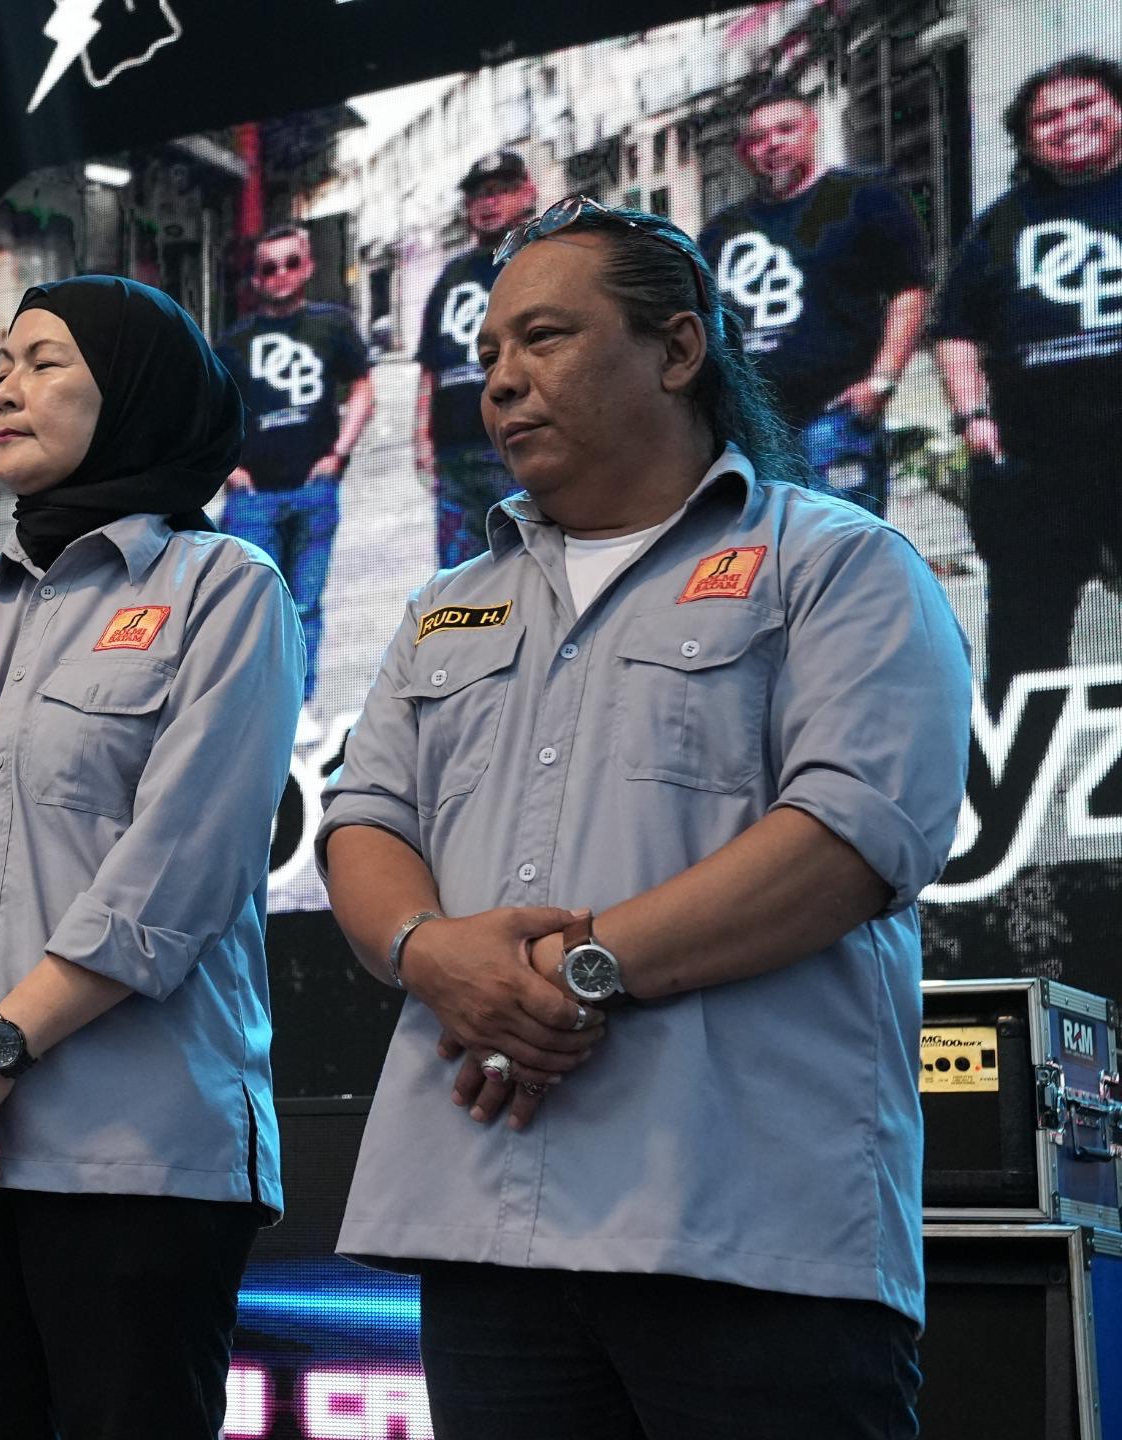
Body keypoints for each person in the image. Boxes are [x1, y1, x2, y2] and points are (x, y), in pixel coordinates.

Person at [320, 198, 969, 1437]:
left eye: (544, 338)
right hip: (480, 1224)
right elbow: (364, 822)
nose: (500, 382)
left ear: (676, 351)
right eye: (488, 353)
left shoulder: (837, 563)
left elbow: (852, 837)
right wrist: (425, 950)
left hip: (744, 1229)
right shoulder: (443, 606)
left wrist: (575, 971)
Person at [0, 275, 304, 1438]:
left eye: (43, 364)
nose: (5, 391)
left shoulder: (225, 592)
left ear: (132, 394)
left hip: (132, 1157)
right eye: (1, 367)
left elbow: (178, 869)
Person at [933, 53, 1122, 709]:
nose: (1068, 123)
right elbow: (955, 330)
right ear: (1026, 138)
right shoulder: (1000, 222)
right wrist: (971, 416)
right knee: (1024, 639)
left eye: (1084, 106)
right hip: (1034, 462)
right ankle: (1024, 766)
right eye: (1047, 118)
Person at [698, 87, 930, 515]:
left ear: (812, 129)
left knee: (844, 543)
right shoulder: (720, 231)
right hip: (753, 429)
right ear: (744, 152)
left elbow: (909, 291)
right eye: (758, 138)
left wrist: (881, 382)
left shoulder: (865, 198)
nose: (772, 145)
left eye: (786, 130)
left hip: (835, 418)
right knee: (769, 546)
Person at [214, 225, 375, 715]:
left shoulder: (333, 326)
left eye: (290, 263)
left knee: (304, 603)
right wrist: (228, 468)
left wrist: (339, 453)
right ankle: (258, 708)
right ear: (254, 279)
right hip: (252, 500)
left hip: (314, 490)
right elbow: (208, 413)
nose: (280, 274)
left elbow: (363, 387)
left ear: (308, 267)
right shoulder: (233, 343)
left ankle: (298, 706)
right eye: (268, 267)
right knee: (252, 608)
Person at [418, 150, 538, 568]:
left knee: (528, 568)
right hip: (455, 456)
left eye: (499, 191)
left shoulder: (542, 264)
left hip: (518, 449)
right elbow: (430, 366)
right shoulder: (450, 276)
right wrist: (422, 439)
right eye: (477, 196)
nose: (488, 204)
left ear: (527, 192)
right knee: (462, 579)